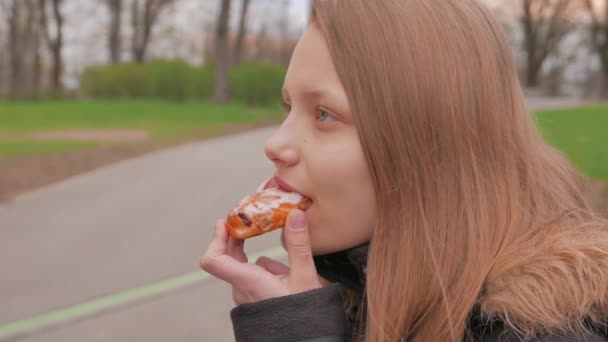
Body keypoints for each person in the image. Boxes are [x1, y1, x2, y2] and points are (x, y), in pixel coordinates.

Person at [200, 0, 608, 341]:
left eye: (324, 114)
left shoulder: (549, 330)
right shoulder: (356, 294)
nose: (275, 145)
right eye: (290, 107)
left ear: (427, 143)